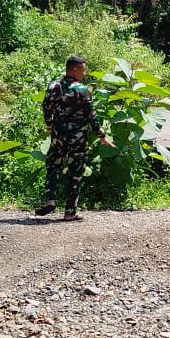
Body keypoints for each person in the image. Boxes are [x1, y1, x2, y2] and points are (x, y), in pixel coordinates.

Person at [35, 55, 110, 221]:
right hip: (78, 138)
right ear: (75, 69)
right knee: (75, 172)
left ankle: (50, 200)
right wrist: (101, 135)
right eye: (83, 70)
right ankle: (70, 211)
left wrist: (49, 125)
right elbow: (91, 115)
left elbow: (46, 107)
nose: (84, 74)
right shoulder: (82, 90)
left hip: (58, 136)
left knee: (53, 166)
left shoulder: (53, 86)